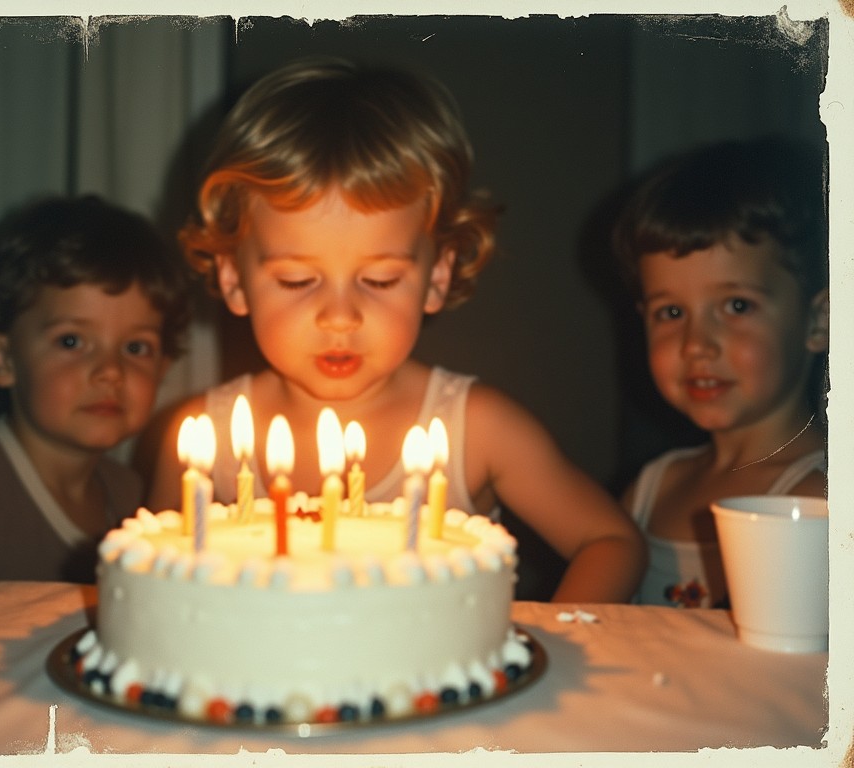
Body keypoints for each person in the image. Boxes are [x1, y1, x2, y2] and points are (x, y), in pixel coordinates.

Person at [141, 57, 646, 603]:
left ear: (437, 275)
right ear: (234, 280)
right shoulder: (200, 439)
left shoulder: (479, 431)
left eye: (379, 280)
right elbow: (152, 583)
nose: (340, 316)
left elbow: (612, 541)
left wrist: (540, 643)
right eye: (297, 279)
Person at [0, 195, 188, 583]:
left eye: (136, 348)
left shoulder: (127, 495)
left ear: (163, 368)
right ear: (2, 359)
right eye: (72, 341)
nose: (111, 371)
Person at [611, 137, 828, 608]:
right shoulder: (652, 488)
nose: (695, 345)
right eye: (670, 313)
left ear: (818, 322)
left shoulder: (821, 502)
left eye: (736, 305)